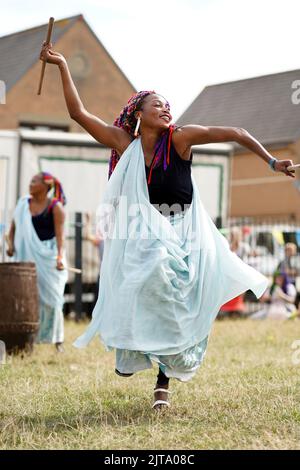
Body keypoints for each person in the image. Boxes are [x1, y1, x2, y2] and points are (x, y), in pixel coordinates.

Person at [39, 42, 295, 410]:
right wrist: (63, 63)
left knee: (180, 304)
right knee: (140, 285)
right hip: (145, 232)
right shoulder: (125, 144)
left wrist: (272, 163)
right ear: (138, 112)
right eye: (157, 104)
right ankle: (131, 350)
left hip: (187, 229)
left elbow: (237, 131)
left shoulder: (180, 137)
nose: (165, 108)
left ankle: (163, 382)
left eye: (167, 104)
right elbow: (78, 113)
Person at [6, 172, 68, 352]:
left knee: (54, 300)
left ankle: (58, 340)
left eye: (34, 181)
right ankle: (29, 340)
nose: (30, 184)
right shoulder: (23, 204)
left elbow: (60, 236)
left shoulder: (56, 207)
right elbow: (12, 229)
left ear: (45, 186)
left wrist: (59, 257)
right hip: (27, 259)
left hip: (49, 259)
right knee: (28, 299)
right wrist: (10, 246)